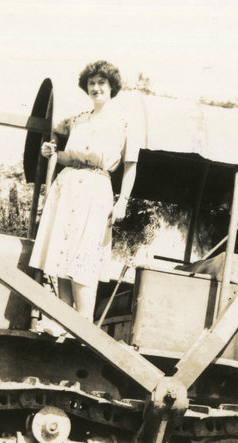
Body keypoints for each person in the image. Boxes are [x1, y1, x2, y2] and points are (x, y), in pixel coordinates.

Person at [29, 60, 139, 328]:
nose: (96, 87)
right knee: (62, 252)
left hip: (97, 188)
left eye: (101, 82)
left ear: (112, 86)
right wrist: (53, 153)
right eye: (91, 83)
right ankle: (63, 320)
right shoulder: (78, 120)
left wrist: (122, 200)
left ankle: (83, 324)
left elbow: (130, 165)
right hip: (68, 187)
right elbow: (69, 157)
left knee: (86, 254)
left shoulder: (125, 122)